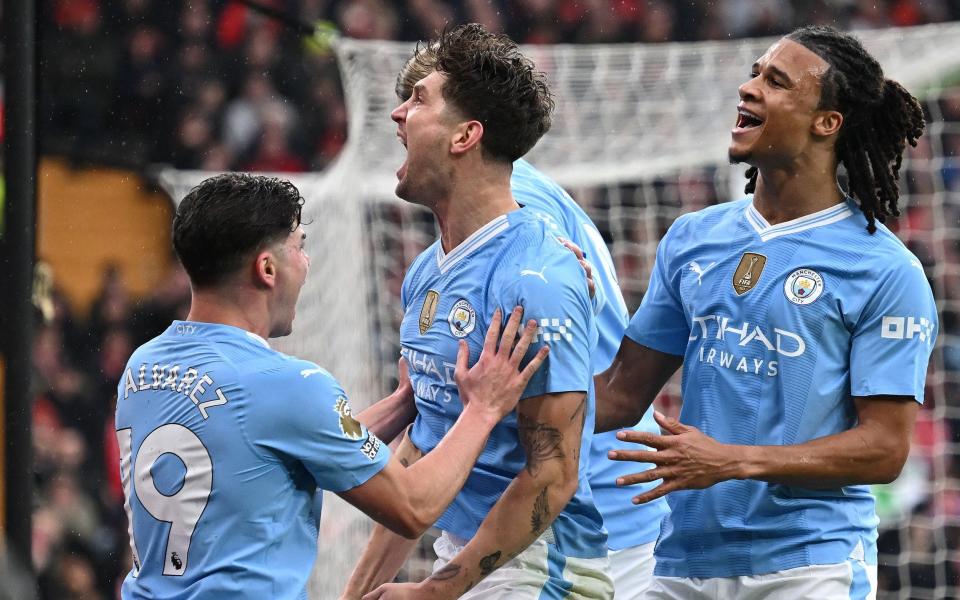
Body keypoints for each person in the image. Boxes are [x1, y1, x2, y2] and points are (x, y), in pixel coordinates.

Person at [593, 25, 936, 599]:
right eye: (754, 73)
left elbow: (884, 449)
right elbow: (621, 394)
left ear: (827, 121)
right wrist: (492, 407)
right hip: (683, 559)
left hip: (809, 563)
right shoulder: (691, 238)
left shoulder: (884, 269)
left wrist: (733, 461)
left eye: (775, 82)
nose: (748, 89)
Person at [113, 172, 549, 599]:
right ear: (266, 268)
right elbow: (413, 507)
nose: (306, 263)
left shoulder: (143, 366)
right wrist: (483, 408)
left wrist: (404, 403)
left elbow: (273, 451)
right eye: (300, 247)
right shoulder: (286, 385)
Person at [348, 43, 668, 600]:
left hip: (569, 532)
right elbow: (426, 439)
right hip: (475, 535)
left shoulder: (529, 256)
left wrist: (434, 591)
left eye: (417, 99)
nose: (398, 115)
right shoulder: (434, 264)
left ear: (466, 134)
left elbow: (552, 473)